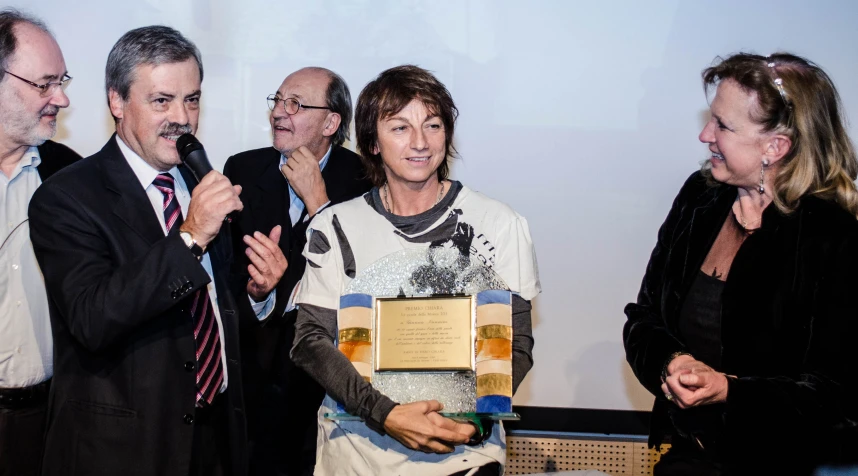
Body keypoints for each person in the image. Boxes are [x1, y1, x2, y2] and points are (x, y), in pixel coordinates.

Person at [291, 65, 540, 475]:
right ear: (371, 142)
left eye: (433, 124)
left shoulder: (500, 224)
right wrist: (385, 414)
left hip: (462, 456)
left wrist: (467, 420)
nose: (420, 142)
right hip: (356, 460)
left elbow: (515, 344)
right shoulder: (335, 227)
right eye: (400, 128)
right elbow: (310, 342)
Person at [29, 26, 255, 476]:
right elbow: (92, 318)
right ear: (117, 102)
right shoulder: (67, 196)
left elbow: (213, 305)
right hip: (127, 448)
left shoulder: (199, 181)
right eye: (161, 101)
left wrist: (257, 292)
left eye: (192, 99)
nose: (183, 117)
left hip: (213, 437)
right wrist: (191, 236)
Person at [623, 52, 858, 475]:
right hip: (688, 456)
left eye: (723, 126)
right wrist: (672, 362)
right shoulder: (701, 197)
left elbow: (834, 394)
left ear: (775, 147)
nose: (704, 135)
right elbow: (642, 319)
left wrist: (727, 390)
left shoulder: (834, 237)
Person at [223, 66, 371, 475]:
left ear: (331, 122)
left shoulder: (364, 182)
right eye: (277, 100)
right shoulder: (242, 169)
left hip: (325, 391)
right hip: (252, 382)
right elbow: (227, 270)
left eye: (296, 104)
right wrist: (260, 292)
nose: (278, 113)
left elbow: (362, 282)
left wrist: (318, 204)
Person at [0, 9, 79, 476]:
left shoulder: (71, 175)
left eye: (62, 81)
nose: (62, 98)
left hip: (49, 417)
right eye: (45, 84)